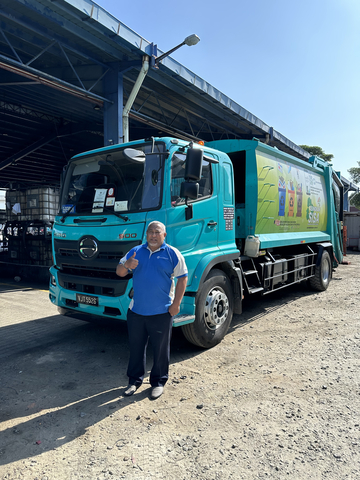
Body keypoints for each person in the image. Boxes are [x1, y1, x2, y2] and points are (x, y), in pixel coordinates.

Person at [116, 221, 188, 399]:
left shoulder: (172, 253)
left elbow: (182, 278)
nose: (153, 235)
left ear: (164, 235)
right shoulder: (135, 251)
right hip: (137, 311)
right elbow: (119, 272)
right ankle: (134, 381)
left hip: (162, 312)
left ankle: (158, 382)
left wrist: (176, 304)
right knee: (136, 348)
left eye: (157, 232)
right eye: (150, 232)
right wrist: (127, 265)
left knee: (161, 349)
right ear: (146, 234)